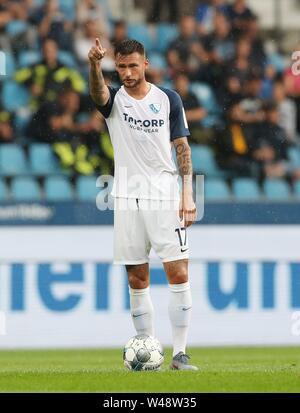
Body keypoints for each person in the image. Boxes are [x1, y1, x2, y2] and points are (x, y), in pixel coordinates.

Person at [88, 38, 198, 370]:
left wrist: (188, 192)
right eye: (121, 66)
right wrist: (94, 64)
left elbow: (182, 146)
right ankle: (149, 349)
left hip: (165, 194)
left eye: (133, 65)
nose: (127, 72)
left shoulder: (168, 99)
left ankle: (180, 353)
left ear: (145, 64)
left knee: (178, 271)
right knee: (137, 277)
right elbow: (97, 95)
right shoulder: (114, 100)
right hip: (126, 196)